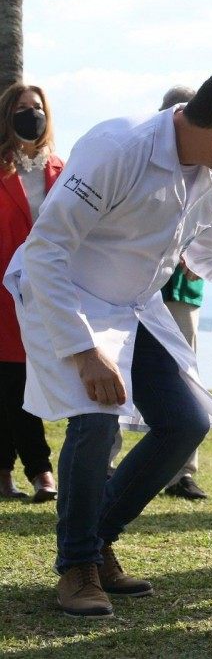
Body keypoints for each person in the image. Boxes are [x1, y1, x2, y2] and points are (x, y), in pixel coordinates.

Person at [3, 68, 212, 618]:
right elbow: (47, 249)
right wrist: (82, 349)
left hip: (137, 305)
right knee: (96, 416)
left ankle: (97, 543)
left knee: (185, 422)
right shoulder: (118, 147)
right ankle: (77, 566)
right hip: (65, 292)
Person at [108, 86, 211, 500]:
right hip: (123, 293)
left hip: (181, 291)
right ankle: (105, 463)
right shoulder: (142, 157)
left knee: (184, 378)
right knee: (113, 374)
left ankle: (181, 471)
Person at [0, 83, 61, 502]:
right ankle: (37, 472)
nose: (31, 114)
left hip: (46, 290)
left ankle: (31, 472)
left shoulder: (62, 169)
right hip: (3, 290)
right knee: (8, 381)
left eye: (37, 107)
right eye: (22, 108)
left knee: (28, 381)